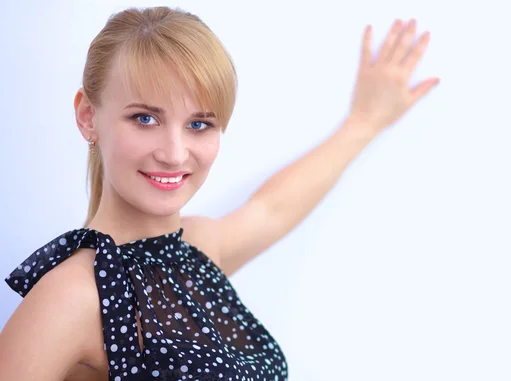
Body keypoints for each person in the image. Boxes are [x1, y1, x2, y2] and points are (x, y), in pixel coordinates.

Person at [0, 5, 439, 381]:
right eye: (145, 118)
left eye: (198, 124)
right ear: (88, 117)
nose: (174, 154)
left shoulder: (197, 248)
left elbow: (272, 209)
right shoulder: (72, 295)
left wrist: (364, 121)